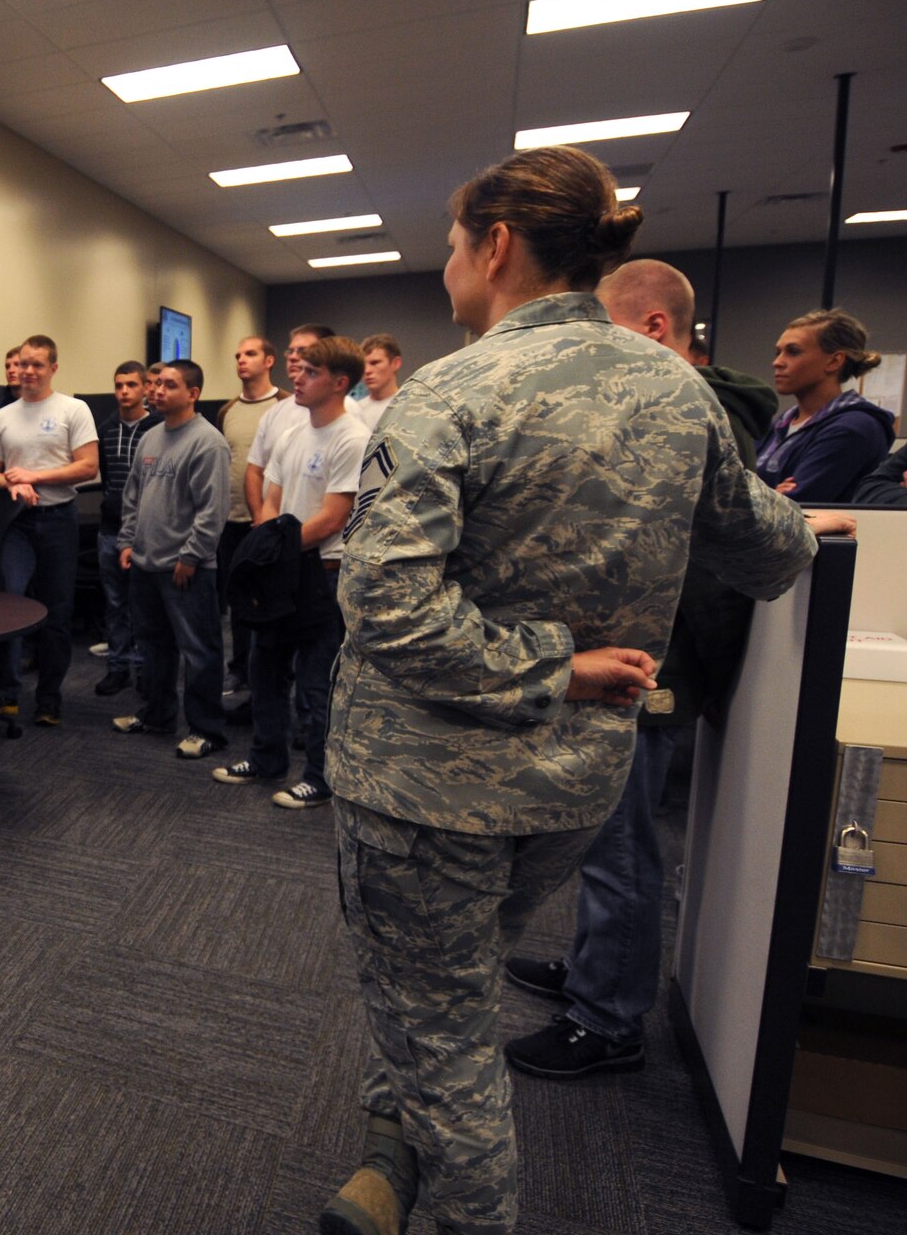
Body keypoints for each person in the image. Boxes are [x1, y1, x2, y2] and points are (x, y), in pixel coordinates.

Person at [319, 147, 836, 1235]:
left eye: (452, 247)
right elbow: (767, 552)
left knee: (442, 1025)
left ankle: (456, 1198)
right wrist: (818, 525)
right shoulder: (676, 389)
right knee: (437, 988)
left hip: (425, 792)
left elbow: (385, 608)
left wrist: (546, 663)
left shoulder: (450, 390)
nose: (445, 269)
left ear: (494, 246)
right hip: (569, 786)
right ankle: (385, 1154)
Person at [501, 258, 782, 1079]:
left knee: (620, 847)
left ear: (656, 329)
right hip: (628, 659)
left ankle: (609, 1021)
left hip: (653, 666)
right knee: (597, 837)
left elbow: (720, 552)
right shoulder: (686, 405)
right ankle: (594, 972)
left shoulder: (691, 413)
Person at [212, 335, 368, 807]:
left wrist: (270, 550)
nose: (297, 376)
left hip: (322, 572)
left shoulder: (353, 438)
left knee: (317, 682)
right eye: (298, 370)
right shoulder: (292, 432)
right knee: (265, 670)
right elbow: (271, 499)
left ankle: (319, 778)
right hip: (283, 566)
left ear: (339, 383)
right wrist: (267, 544)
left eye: (311, 372)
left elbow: (331, 518)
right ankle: (267, 758)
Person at [0, 334, 98, 727]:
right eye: (23, 363)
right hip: (16, 524)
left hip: (59, 519)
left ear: (53, 369)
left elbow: (88, 467)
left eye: (37, 365)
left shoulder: (73, 410)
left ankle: (49, 699)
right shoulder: (2, 417)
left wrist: (35, 476)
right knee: (8, 607)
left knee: (56, 613)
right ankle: (7, 693)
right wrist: (12, 483)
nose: (27, 371)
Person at [110, 360, 231, 758]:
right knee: (155, 647)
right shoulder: (151, 438)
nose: (157, 390)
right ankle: (158, 715)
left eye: (169, 385)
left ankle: (205, 729)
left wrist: (191, 556)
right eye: (157, 383)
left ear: (192, 394)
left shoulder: (207, 441)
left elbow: (211, 511)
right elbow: (133, 495)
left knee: (199, 651)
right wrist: (128, 541)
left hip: (185, 570)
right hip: (146, 565)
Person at [213, 335, 288, 702]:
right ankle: (239, 670)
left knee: (273, 603)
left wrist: (269, 518)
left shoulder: (288, 405)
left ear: (270, 360)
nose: (242, 360)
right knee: (238, 601)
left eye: (251, 354)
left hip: (273, 523)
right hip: (233, 521)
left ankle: (274, 675)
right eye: (238, 354)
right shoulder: (227, 411)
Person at [756, 308, 892, 503]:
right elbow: (732, 487)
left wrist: (759, 495)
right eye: (778, 353)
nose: (777, 362)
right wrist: (770, 494)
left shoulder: (855, 427)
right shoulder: (782, 424)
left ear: (834, 361)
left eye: (793, 352)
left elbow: (796, 503)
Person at [94, 360, 160, 696]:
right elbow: (107, 478)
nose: (124, 391)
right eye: (119, 385)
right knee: (115, 604)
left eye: (131, 385)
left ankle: (144, 671)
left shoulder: (159, 428)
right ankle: (117, 667)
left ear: (146, 387)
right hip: (110, 529)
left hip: (147, 534)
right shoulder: (105, 428)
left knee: (144, 608)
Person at [348, 333, 403, 429]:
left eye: (375, 363)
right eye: (363, 365)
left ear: (395, 363)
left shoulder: (408, 407)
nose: (367, 370)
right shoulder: (355, 410)